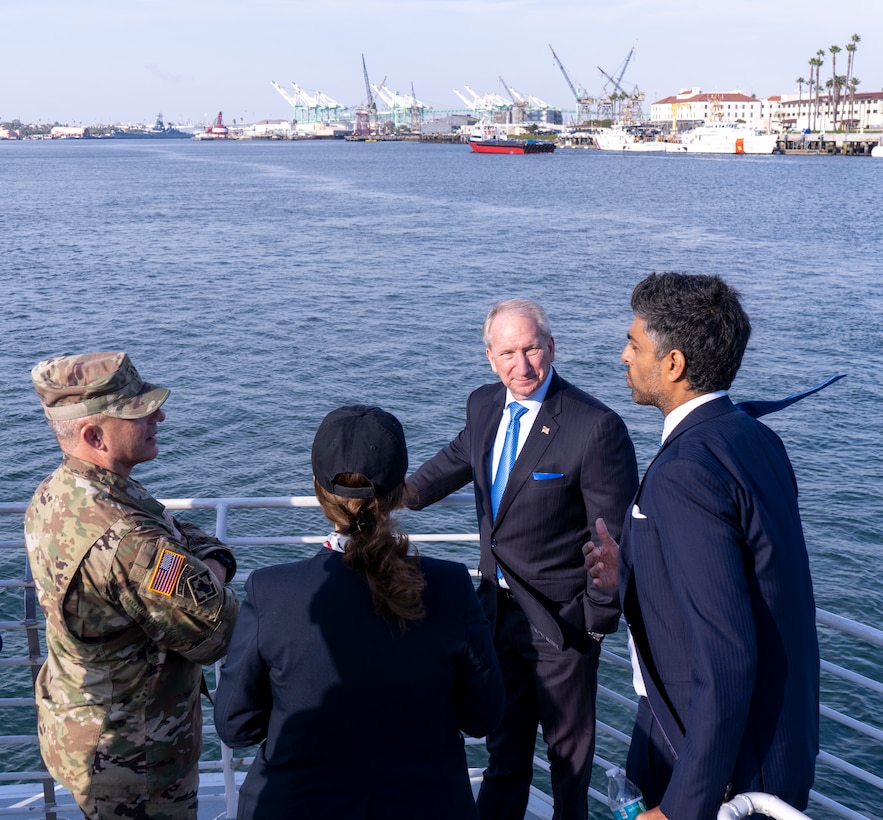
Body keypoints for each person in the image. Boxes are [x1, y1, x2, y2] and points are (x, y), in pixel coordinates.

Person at [585, 272, 820, 820]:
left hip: (716, 766)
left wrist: (682, 807)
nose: (623, 355)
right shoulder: (753, 435)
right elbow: (746, 568)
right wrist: (634, 568)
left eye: (634, 343)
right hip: (770, 740)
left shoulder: (684, 470)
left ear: (674, 364)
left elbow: (728, 655)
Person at [405, 299, 638, 820]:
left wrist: (594, 625)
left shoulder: (595, 426)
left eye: (532, 348)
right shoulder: (484, 404)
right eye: (508, 352)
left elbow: (613, 541)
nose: (522, 365)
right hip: (494, 614)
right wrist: (390, 497)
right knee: (504, 754)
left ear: (551, 347)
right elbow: (456, 460)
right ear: (490, 358)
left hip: (563, 625)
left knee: (568, 766)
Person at [213, 405, 504, 820]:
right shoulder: (451, 586)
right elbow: (483, 716)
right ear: (400, 490)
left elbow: (234, 725)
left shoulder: (271, 591)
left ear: (318, 489)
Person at [24, 352, 241, 820]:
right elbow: (217, 629)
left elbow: (167, 529)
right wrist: (216, 565)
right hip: (135, 762)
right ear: (94, 436)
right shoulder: (127, 540)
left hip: (81, 726)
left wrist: (188, 551)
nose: (157, 415)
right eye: (138, 412)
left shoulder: (55, 494)